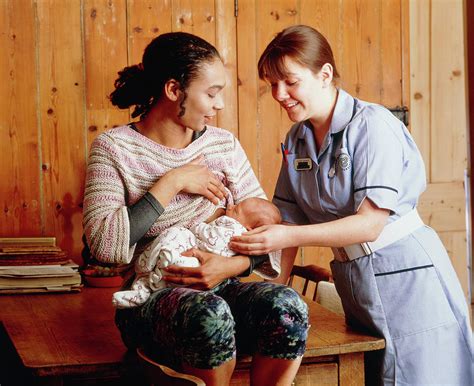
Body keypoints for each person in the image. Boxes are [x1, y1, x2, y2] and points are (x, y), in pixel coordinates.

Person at [229, 25, 474, 385]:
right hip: (354, 278)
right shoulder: (296, 139)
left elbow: (368, 225)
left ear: (324, 74)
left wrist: (281, 236)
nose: (279, 94)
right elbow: (288, 224)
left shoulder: (373, 125)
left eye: (290, 82)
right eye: (272, 84)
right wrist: (273, 297)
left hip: (409, 278)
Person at [82, 31, 308, 386]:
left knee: (286, 304)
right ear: (174, 90)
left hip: (223, 286)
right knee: (210, 312)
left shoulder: (224, 145)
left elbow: (266, 227)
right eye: (211, 93)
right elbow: (106, 248)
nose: (219, 105)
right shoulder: (113, 148)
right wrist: (172, 182)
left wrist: (230, 266)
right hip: (150, 299)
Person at [112, 197, 282, 308]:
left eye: (237, 209)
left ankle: (150, 281)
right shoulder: (237, 221)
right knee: (174, 235)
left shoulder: (234, 230)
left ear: (249, 228)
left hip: (199, 266)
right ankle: (144, 283)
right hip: (192, 256)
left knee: (184, 258)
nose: (231, 205)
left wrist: (199, 226)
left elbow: (271, 245)